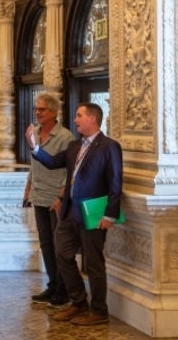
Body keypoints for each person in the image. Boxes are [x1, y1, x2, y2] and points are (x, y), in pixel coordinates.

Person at [25, 102, 123, 326]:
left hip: (93, 214)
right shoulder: (74, 146)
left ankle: (99, 311)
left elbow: (116, 183)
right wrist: (34, 147)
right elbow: (51, 162)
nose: (76, 119)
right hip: (69, 213)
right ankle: (79, 301)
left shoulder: (109, 146)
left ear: (93, 119)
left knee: (94, 264)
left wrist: (110, 215)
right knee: (62, 254)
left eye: (79, 116)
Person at [22, 93, 75, 308]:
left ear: (53, 112)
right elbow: (34, 166)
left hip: (56, 199)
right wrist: (28, 189)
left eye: (42, 110)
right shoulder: (34, 133)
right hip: (39, 196)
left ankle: (64, 290)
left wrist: (62, 195)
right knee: (45, 244)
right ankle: (53, 285)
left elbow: (68, 171)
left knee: (58, 246)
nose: (37, 113)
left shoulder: (66, 137)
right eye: (36, 109)